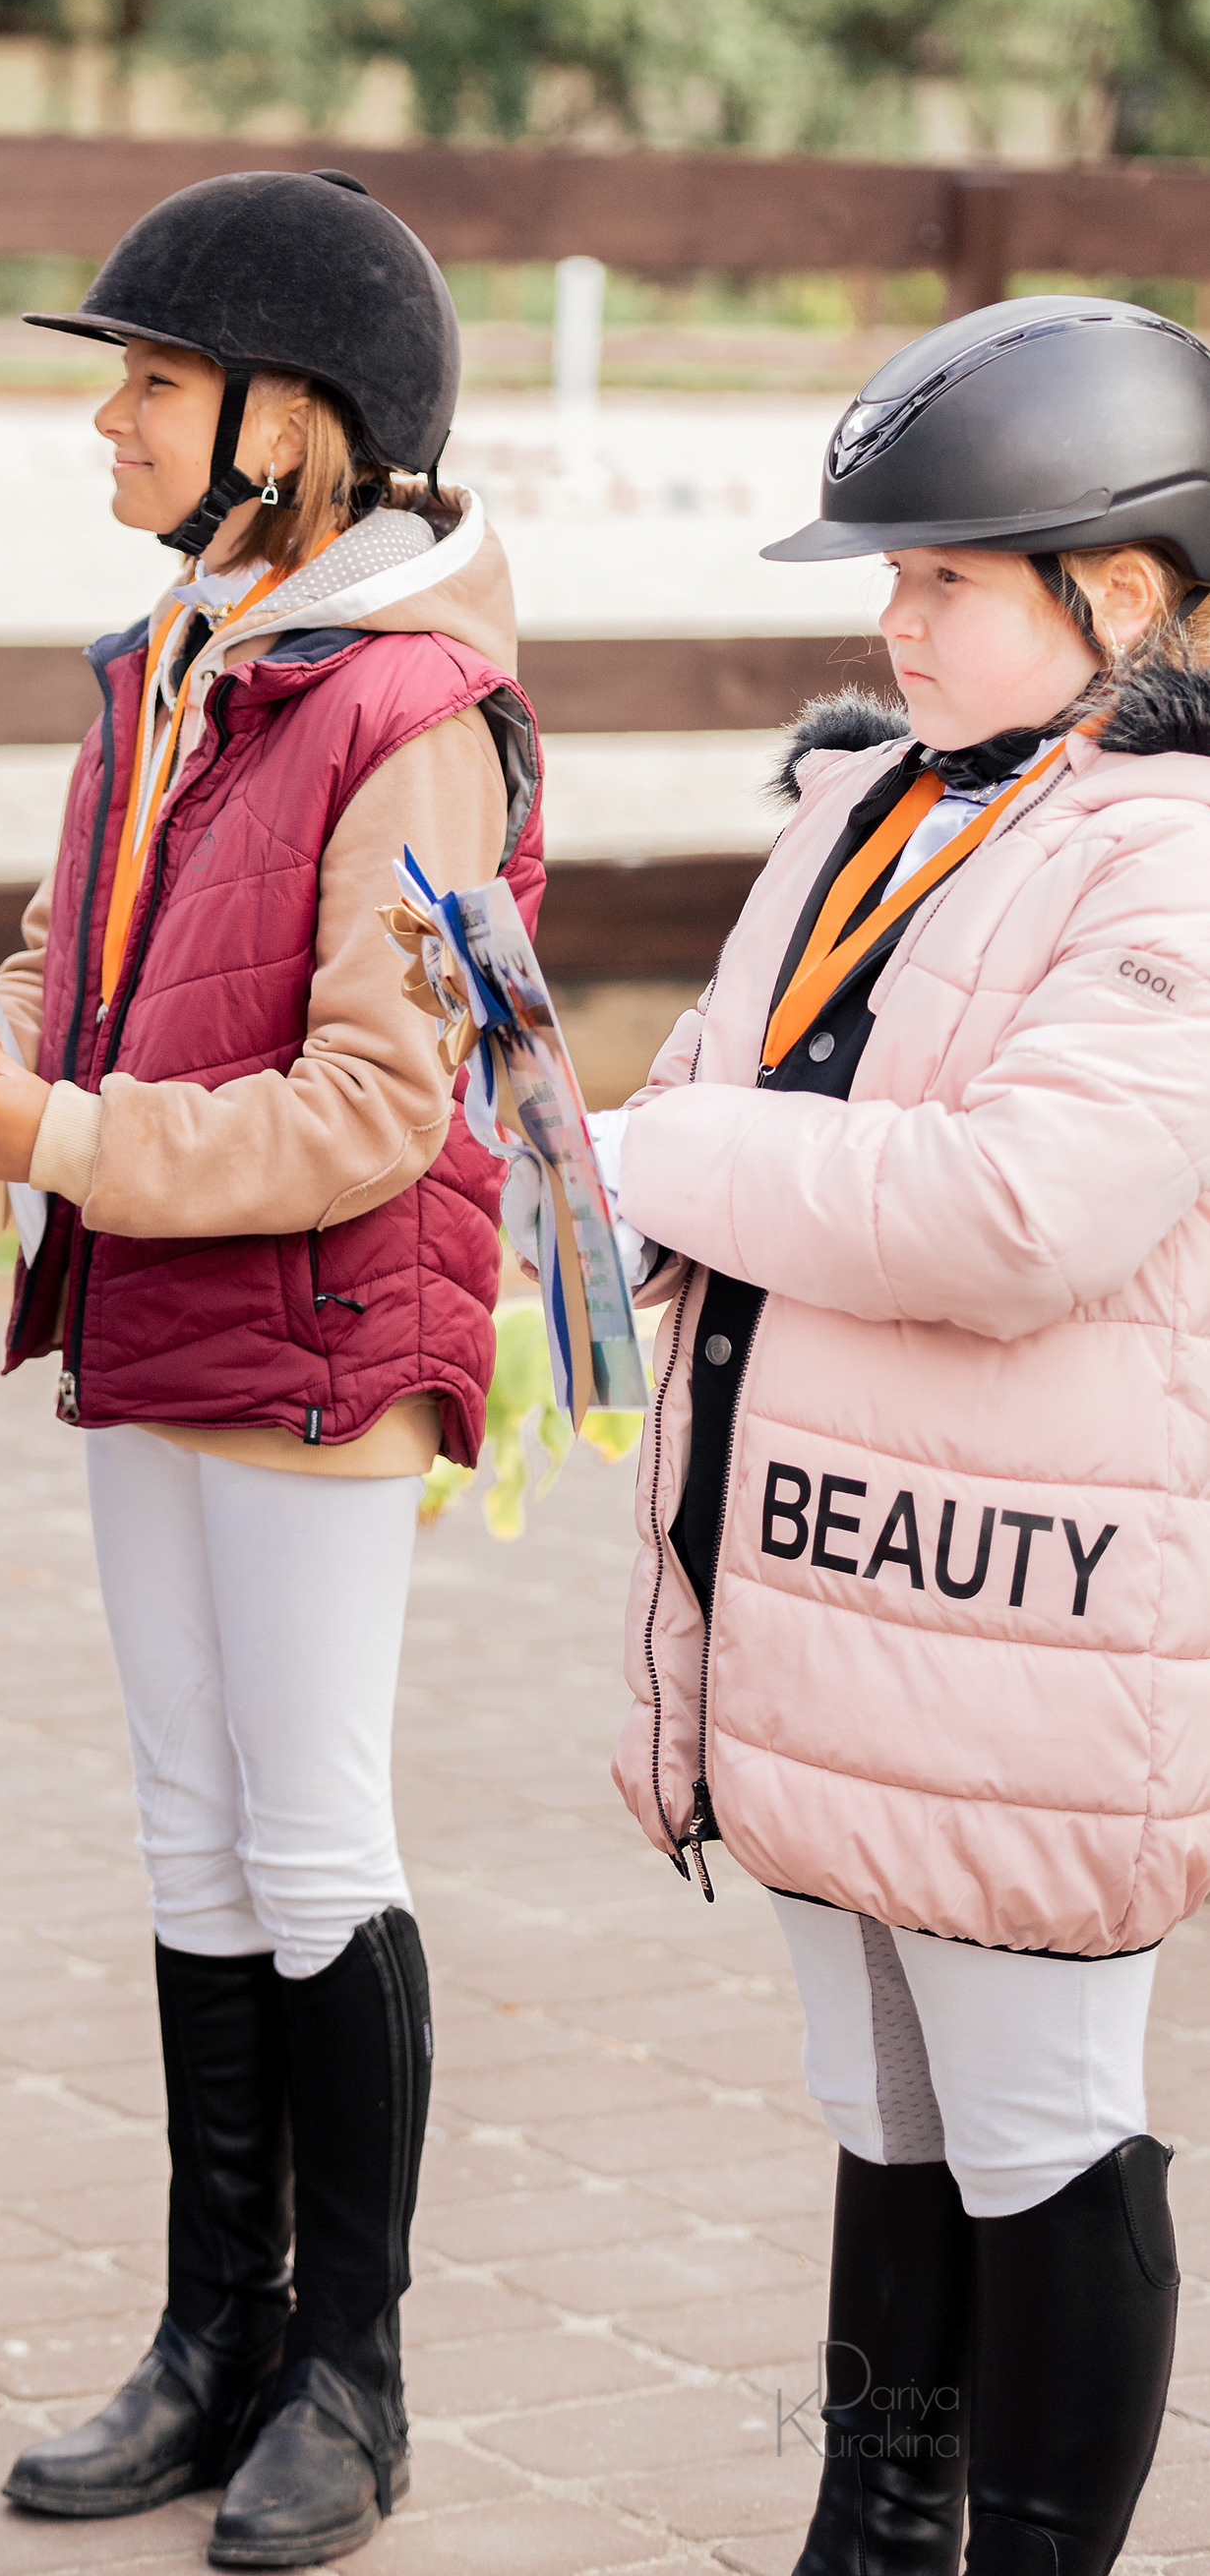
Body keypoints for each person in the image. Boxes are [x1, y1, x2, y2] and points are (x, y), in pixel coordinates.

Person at [0, 169, 543, 2569]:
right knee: (189, 1829)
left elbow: (384, 1106)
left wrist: (59, 1127)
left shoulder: (421, 716)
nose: (112, 426)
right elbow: (82, 960)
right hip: (159, 1307)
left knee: (313, 1833)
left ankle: (347, 2374)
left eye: (152, 383)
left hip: (313, 1348)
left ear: (305, 424)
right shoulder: (172, 654)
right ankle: (208, 2332)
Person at [607, 296, 1210, 2576]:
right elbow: (706, 1085)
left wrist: (661, 1165)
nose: (892, 611)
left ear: (1119, 595)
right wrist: (663, 1155)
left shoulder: (1173, 858)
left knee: (1041, 2118)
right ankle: (870, 2534)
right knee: (885, 2108)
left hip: (1024, 1621)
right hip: (819, 1585)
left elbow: (1019, 1206)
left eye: (942, 573)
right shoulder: (875, 799)